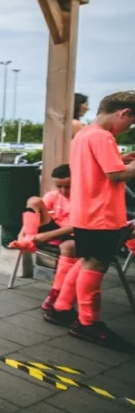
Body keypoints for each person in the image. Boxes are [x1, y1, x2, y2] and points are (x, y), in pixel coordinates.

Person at [47, 91, 135, 350]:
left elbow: (99, 168)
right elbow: (116, 175)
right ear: (123, 113)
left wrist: (123, 159)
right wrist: (124, 165)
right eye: (130, 122)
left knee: (87, 261)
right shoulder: (103, 136)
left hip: (86, 211)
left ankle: (62, 307)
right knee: (96, 265)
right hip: (103, 213)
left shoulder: (84, 134)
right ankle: (88, 322)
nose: (128, 127)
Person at [8, 164, 77, 311]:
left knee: (69, 246)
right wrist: (23, 234)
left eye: (68, 187)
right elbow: (32, 212)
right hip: (53, 227)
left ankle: (56, 293)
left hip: (73, 234)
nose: (63, 191)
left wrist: (47, 235)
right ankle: (28, 242)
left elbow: (80, 226)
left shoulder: (83, 198)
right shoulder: (54, 195)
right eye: (59, 186)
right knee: (34, 200)